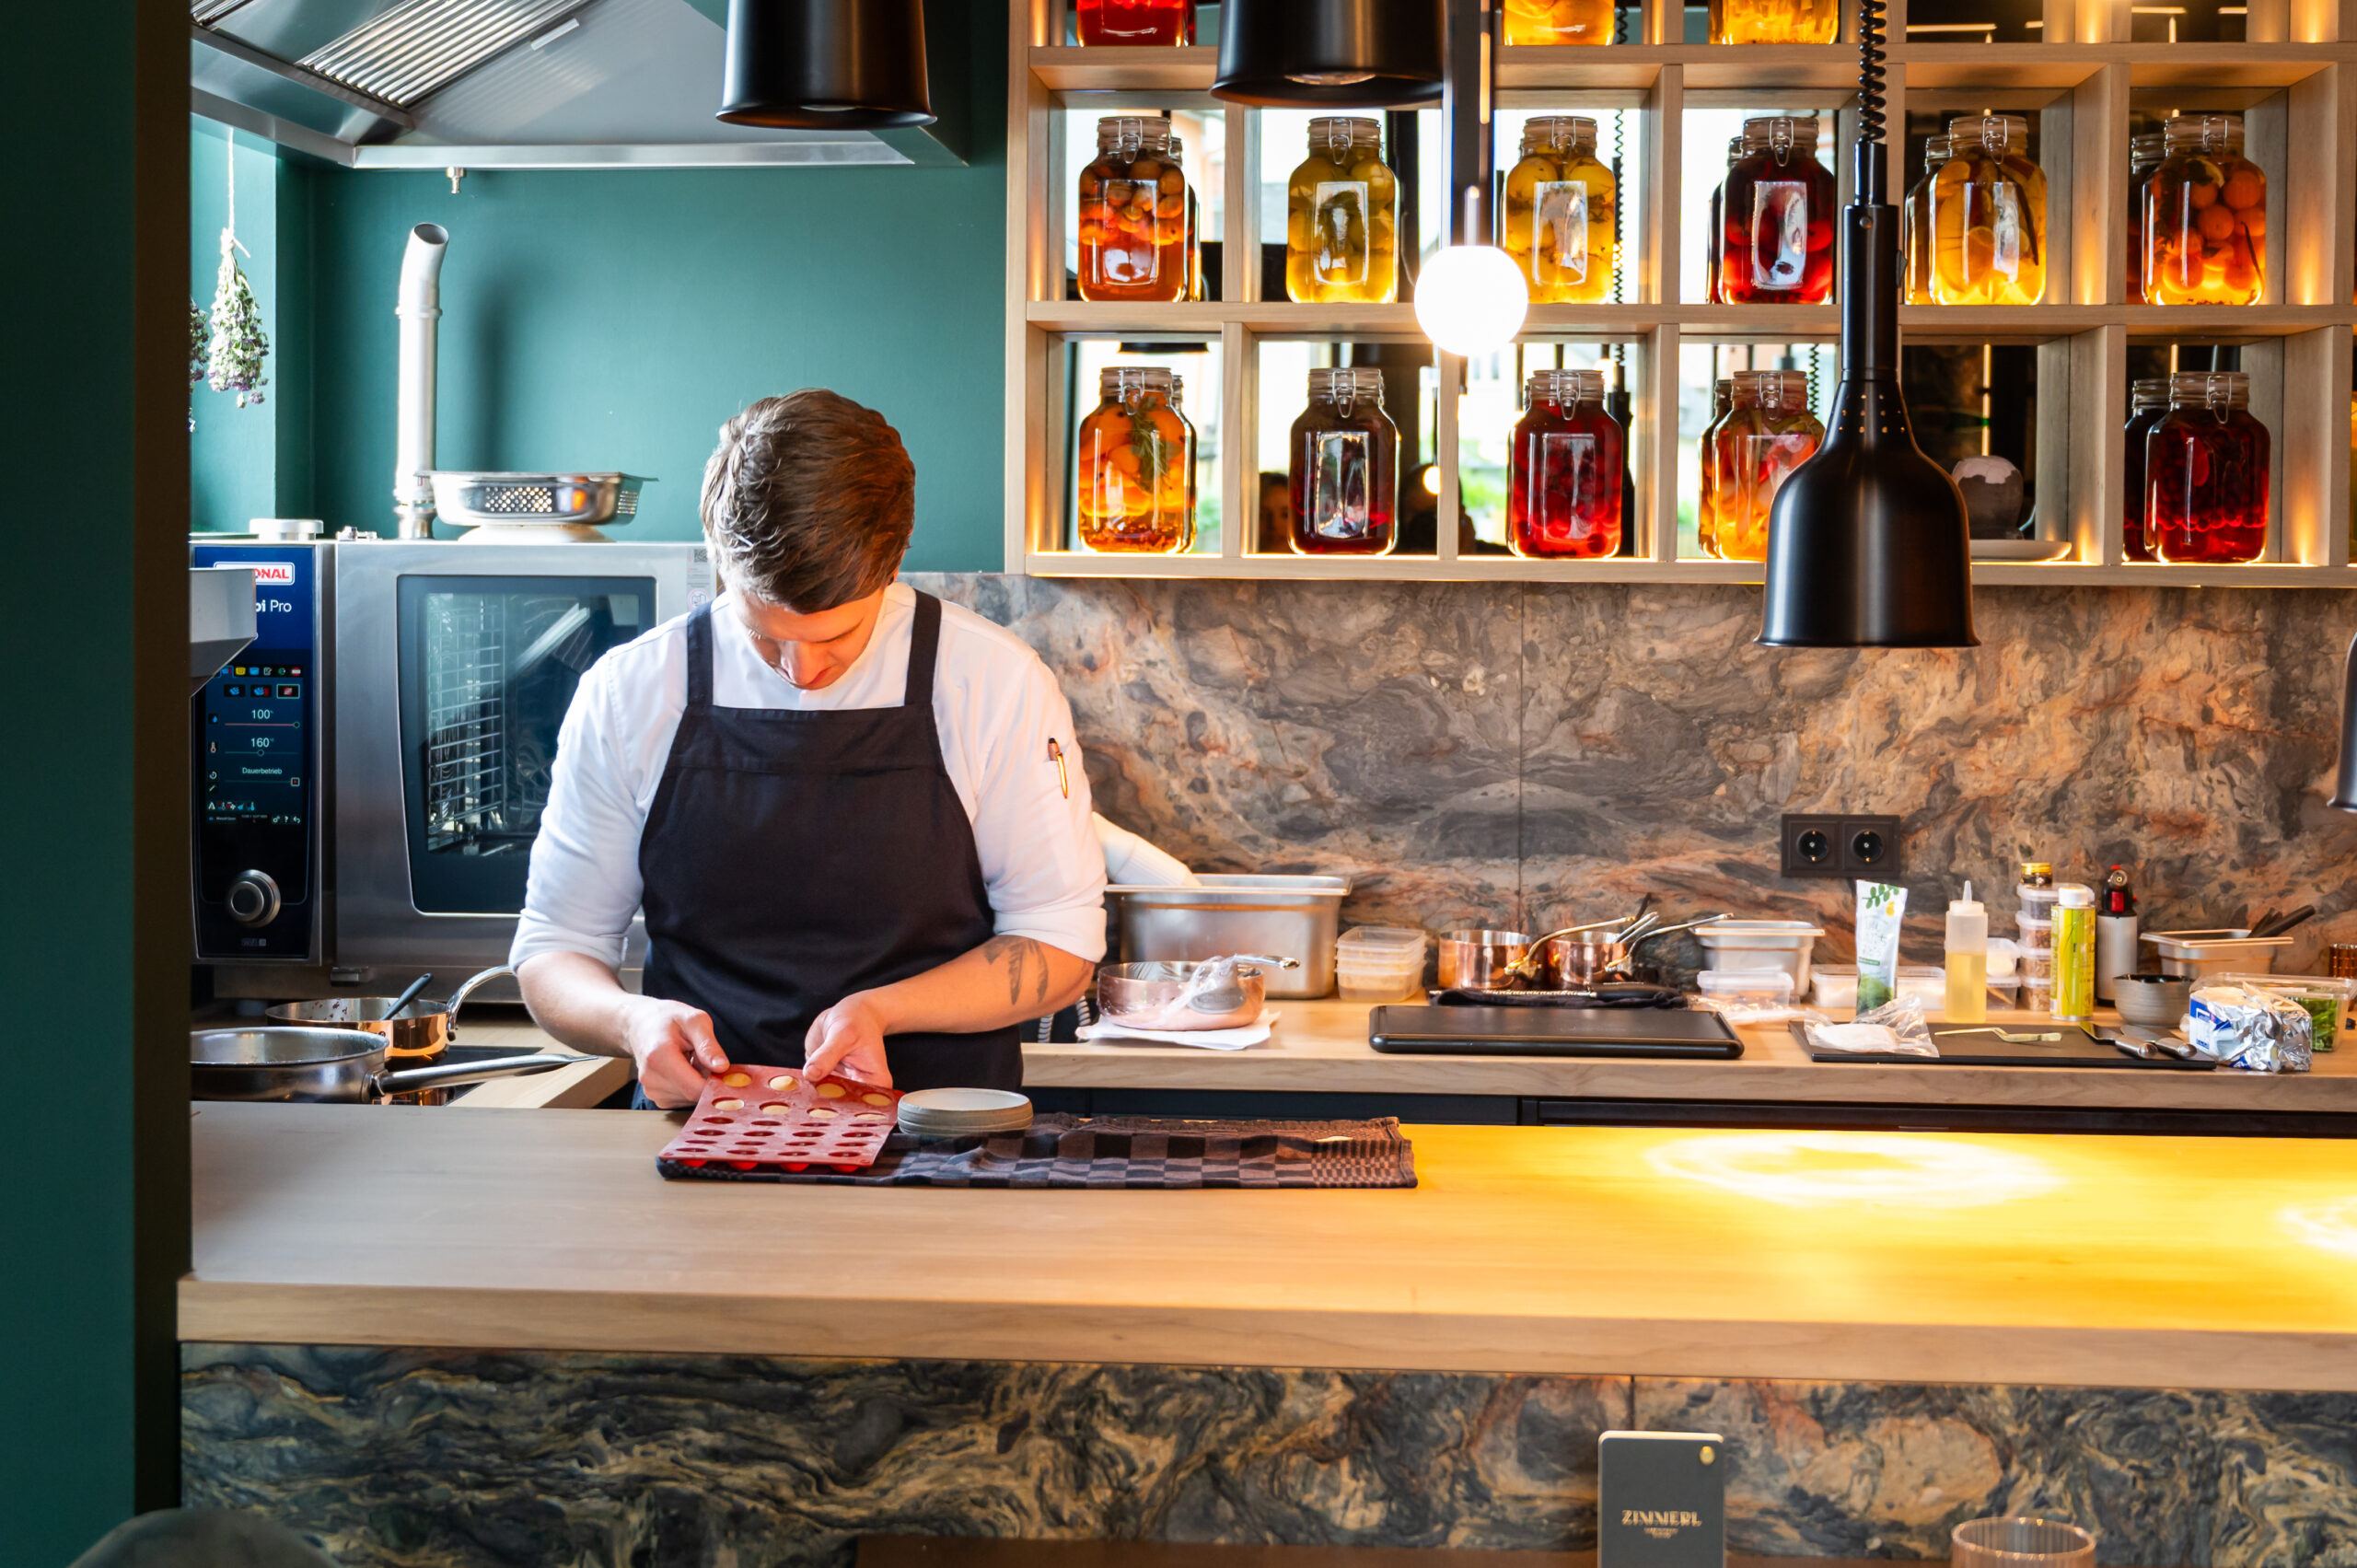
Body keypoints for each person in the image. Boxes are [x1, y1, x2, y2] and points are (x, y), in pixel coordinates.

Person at [513, 389, 1104, 1105]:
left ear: (893, 561)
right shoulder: (630, 691)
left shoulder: (993, 682)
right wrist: (632, 1021)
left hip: (943, 1140)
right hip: (698, 1139)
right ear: (719, 561)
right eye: (765, 635)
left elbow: (1060, 943)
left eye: (836, 636)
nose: (802, 671)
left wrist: (883, 1010)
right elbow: (554, 951)